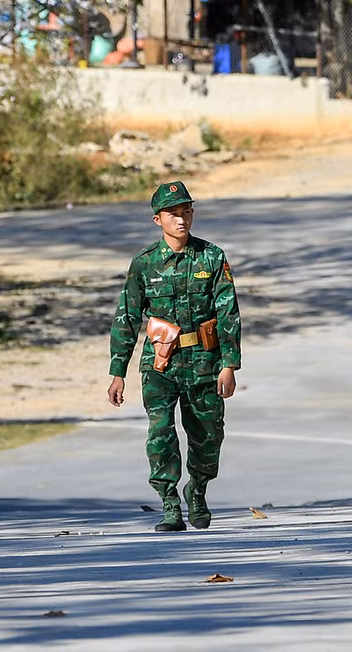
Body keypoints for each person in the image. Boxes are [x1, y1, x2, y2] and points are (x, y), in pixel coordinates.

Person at [107, 180, 242, 532]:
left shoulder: (212, 258)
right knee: (161, 433)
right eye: (172, 214)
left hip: (203, 362)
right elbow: (127, 317)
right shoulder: (144, 265)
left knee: (208, 435)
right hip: (160, 364)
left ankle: (197, 491)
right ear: (158, 220)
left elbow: (228, 312)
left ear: (193, 214)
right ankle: (169, 503)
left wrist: (229, 364)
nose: (180, 220)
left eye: (186, 212)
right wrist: (117, 371)